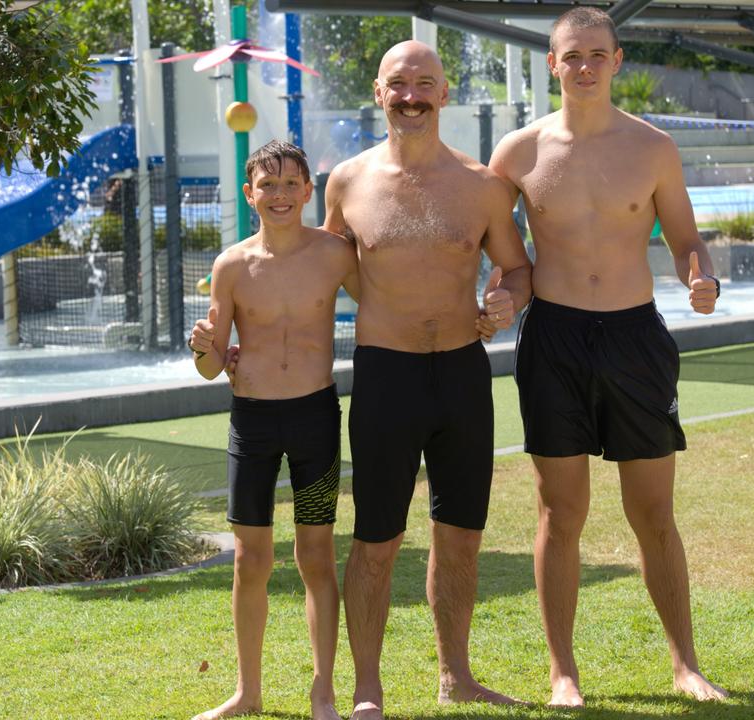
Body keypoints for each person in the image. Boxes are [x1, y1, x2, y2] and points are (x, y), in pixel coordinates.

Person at [488, 6, 727, 707]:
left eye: (597, 54)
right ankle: (562, 671)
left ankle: (684, 663)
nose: (584, 66)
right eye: (571, 56)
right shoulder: (519, 153)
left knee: (652, 512)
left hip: (633, 337)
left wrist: (700, 275)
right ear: (553, 64)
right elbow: (491, 245)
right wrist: (498, 292)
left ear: (617, 61)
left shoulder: (651, 147)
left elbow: (686, 237)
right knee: (559, 512)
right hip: (554, 337)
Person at [322, 40, 533, 720]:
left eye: (424, 83)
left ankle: (456, 676)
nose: (410, 94)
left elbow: (518, 268)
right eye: (397, 83)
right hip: (385, 375)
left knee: (460, 536)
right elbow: (321, 271)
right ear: (379, 94)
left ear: (444, 95)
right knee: (375, 539)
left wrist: (507, 299)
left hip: (462, 375)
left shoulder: (481, 186)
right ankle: (366, 687)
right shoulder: (347, 182)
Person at [189, 139, 359, 720]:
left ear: (309, 191)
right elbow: (212, 366)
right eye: (268, 185)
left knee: (316, 554)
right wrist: (205, 350)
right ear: (249, 194)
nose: (280, 195)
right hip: (254, 423)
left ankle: (323, 689)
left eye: (291, 184)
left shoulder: (335, 255)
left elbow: (385, 308)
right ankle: (247, 692)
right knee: (249, 559)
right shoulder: (232, 265)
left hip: (314, 417)